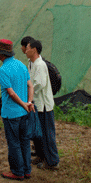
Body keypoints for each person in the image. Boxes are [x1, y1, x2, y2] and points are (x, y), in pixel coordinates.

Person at [0, 39, 35, 181]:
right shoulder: (21, 65)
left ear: (1, 54)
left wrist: (22, 104)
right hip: (25, 113)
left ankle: (17, 172)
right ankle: (27, 170)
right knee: (24, 141)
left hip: (11, 113)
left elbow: (10, 93)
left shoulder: (3, 70)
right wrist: (28, 103)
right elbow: (30, 86)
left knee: (14, 143)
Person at [25, 39, 60, 170]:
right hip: (38, 105)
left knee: (47, 133)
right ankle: (44, 157)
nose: (25, 51)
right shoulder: (32, 63)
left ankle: (52, 162)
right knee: (40, 133)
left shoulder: (39, 65)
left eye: (27, 48)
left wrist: (28, 95)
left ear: (34, 50)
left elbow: (39, 84)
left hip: (44, 105)